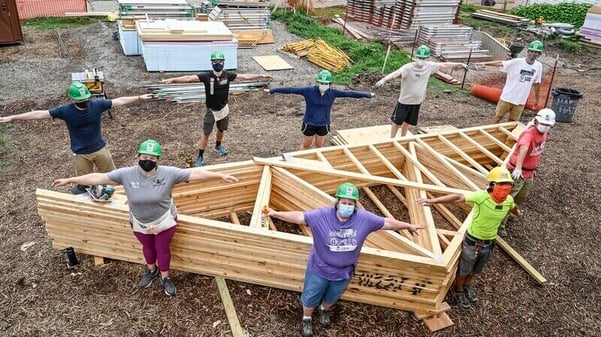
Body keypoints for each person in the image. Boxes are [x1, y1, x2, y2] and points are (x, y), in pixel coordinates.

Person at [53, 139, 239, 296]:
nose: (147, 160)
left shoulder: (169, 173)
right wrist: (71, 180)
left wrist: (220, 176)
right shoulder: (126, 174)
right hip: (140, 221)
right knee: (148, 247)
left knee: (162, 248)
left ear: (157, 159)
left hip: (164, 220)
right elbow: (98, 177)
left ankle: (165, 277)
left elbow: (196, 173)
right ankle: (152, 270)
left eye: (151, 158)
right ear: (138, 157)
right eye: (144, 157)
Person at [267, 182, 424, 337]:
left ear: (355, 205)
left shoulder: (363, 219)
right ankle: (306, 318)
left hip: (344, 271)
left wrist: (407, 226)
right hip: (320, 269)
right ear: (337, 202)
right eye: (344, 202)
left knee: (333, 296)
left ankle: (324, 310)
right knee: (311, 295)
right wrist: (275, 213)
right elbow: (300, 216)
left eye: (350, 203)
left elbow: (387, 222)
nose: (347, 206)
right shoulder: (322, 216)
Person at [0, 81, 153, 194]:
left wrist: (139, 97)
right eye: (82, 100)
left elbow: (119, 101)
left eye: (85, 99)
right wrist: (14, 117)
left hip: (100, 150)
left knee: (113, 179)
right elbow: (39, 114)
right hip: (81, 154)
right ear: (75, 99)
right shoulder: (66, 111)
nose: (85, 102)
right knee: (84, 183)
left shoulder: (94, 105)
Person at [416, 167, 522, 310]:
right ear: (491, 186)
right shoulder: (481, 197)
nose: (504, 190)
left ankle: (467, 286)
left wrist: (517, 212)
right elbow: (457, 197)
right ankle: (458, 291)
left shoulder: (508, 200)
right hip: (474, 241)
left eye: (507, 187)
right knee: (464, 269)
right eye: (501, 186)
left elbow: (512, 206)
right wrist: (433, 201)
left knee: (476, 269)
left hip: (490, 242)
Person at [162, 51, 272, 167]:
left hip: (224, 108)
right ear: (212, 63)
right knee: (206, 134)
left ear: (223, 63)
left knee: (221, 129)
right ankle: (200, 156)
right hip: (211, 110)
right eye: (215, 62)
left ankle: (218, 145)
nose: (218, 64)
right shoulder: (207, 76)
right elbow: (189, 78)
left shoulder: (227, 75)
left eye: (220, 62)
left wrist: (261, 75)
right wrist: (173, 80)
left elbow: (244, 76)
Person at [266, 70, 375, 149]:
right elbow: (291, 89)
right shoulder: (308, 91)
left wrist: (367, 94)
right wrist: (273, 90)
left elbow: (351, 93)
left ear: (330, 84)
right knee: (306, 145)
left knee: (319, 145)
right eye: (321, 83)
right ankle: (302, 161)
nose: (323, 85)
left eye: (326, 83)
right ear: (318, 82)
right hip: (310, 123)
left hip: (324, 124)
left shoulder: (333, 93)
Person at [374, 45, 466, 137]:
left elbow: (444, 65)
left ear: (427, 58)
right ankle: (392, 138)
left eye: (423, 58)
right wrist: (384, 79)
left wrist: (459, 64)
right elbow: (397, 73)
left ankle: (403, 137)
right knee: (397, 121)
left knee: (408, 121)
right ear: (416, 57)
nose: (421, 60)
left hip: (417, 101)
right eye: (420, 57)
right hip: (404, 101)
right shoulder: (408, 67)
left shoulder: (430, 66)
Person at [498, 108, 555, 237]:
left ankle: (510, 213)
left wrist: (532, 168)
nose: (546, 127)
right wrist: (518, 168)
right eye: (544, 124)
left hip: (529, 172)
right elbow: (523, 150)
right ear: (536, 122)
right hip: (518, 172)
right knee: (509, 197)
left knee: (521, 196)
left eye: (548, 125)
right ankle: (500, 224)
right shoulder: (529, 134)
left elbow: (535, 153)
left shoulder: (542, 133)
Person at [476, 40, 544, 124]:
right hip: (507, 97)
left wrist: (537, 99)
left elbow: (537, 83)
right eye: (532, 51)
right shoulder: (517, 62)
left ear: (539, 54)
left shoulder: (538, 66)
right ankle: (487, 134)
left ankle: (505, 136)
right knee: (498, 117)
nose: (533, 54)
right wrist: (485, 63)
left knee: (512, 122)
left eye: (536, 52)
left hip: (521, 100)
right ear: (528, 51)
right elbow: (501, 63)